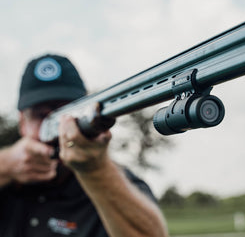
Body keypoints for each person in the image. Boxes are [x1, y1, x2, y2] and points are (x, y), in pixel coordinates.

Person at [0, 54, 168, 237]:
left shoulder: (120, 184)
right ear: (22, 123)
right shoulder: (7, 179)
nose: (58, 129)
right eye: (41, 116)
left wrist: (96, 172)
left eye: (66, 114)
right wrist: (6, 166)